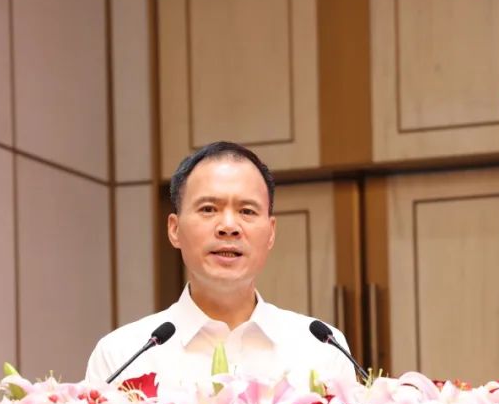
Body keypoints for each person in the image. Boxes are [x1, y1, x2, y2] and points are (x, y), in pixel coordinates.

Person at [85, 141, 356, 389]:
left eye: (247, 211)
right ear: (174, 229)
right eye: (208, 209)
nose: (228, 226)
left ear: (271, 232)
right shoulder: (122, 356)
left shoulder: (321, 349)